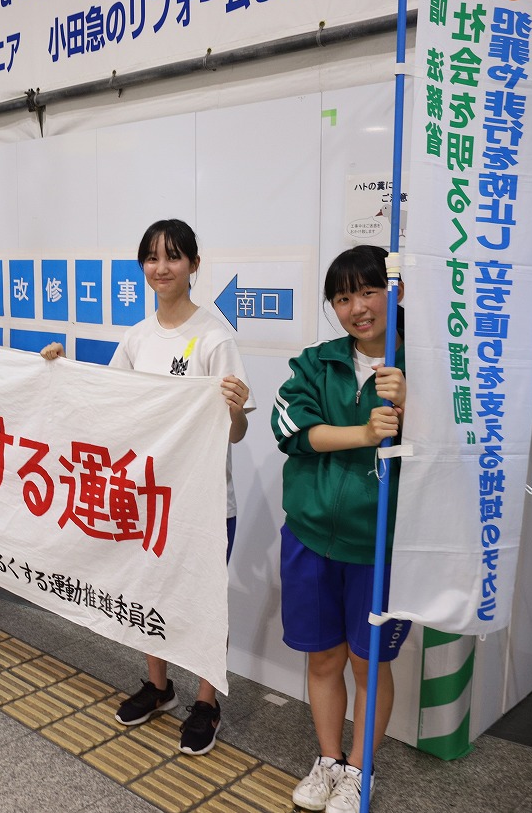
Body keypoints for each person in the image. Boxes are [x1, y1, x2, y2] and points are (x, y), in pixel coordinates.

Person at [41, 218, 254, 756]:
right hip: (148, 495)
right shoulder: (137, 336)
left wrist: (231, 409)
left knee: (205, 603)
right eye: (153, 258)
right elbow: (110, 401)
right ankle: (158, 686)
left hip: (203, 501)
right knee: (146, 588)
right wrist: (61, 371)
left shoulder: (215, 336)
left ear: (194, 266)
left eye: (174, 257)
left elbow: (237, 430)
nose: (162, 268)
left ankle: (206, 701)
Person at [272, 244, 410, 813]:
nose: (358, 306)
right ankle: (328, 762)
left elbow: (456, 451)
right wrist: (364, 433)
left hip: (380, 546)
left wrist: (411, 404)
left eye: (370, 290)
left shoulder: (424, 364)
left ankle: (360, 770)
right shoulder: (317, 362)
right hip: (309, 536)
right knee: (324, 657)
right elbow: (291, 429)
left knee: (367, 663)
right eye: (344, 296)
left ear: (394, 292)